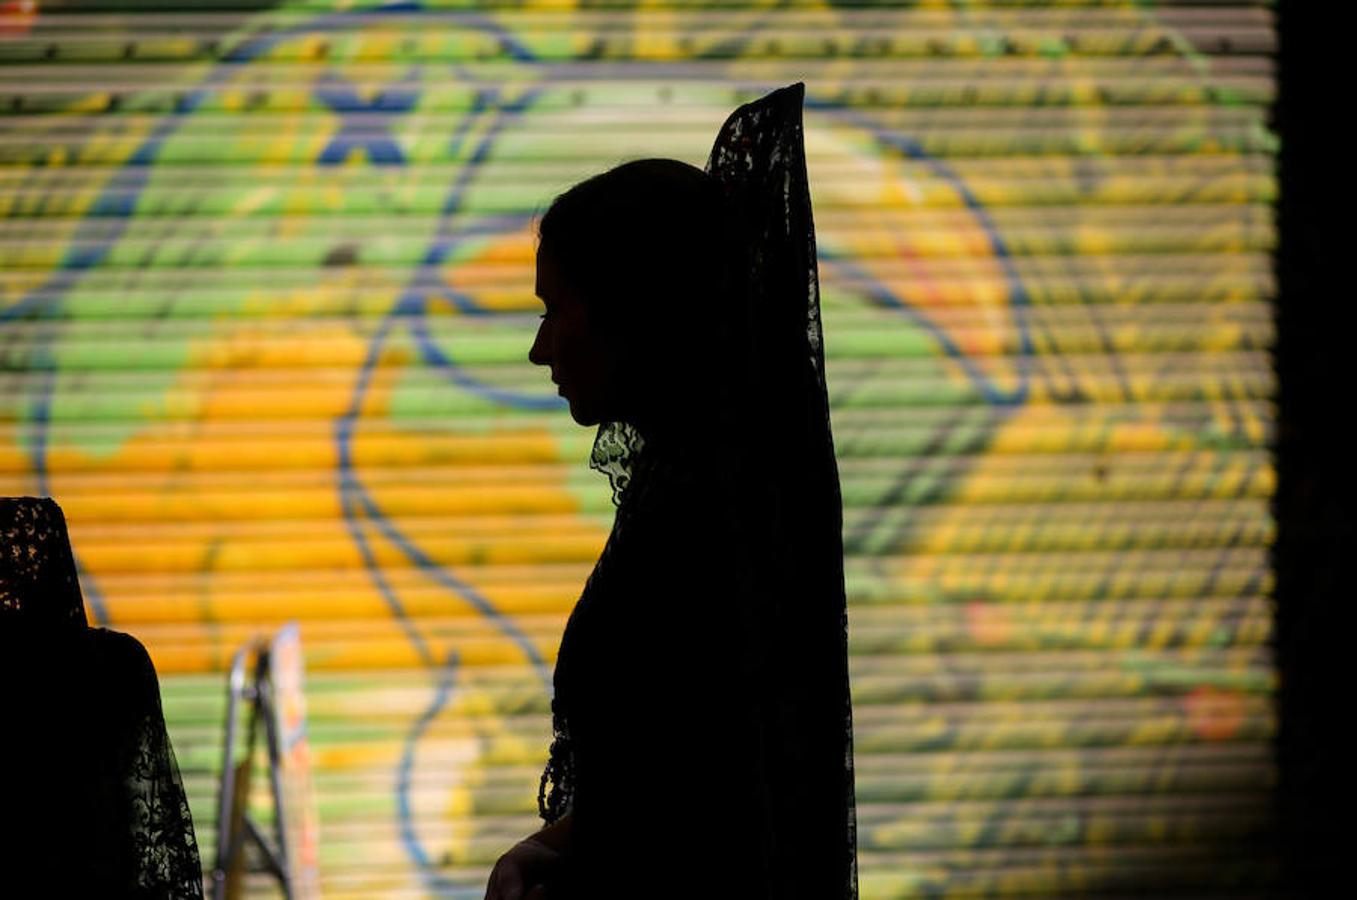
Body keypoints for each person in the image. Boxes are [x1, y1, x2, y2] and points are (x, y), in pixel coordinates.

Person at [485, 82, 858, 900]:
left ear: (629, 314)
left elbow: (696, 805)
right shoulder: (697, 491)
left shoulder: (701, 526)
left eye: (556, 310)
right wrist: (544, 851)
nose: (540, 348)